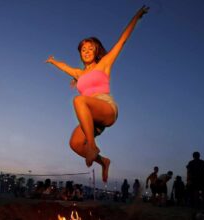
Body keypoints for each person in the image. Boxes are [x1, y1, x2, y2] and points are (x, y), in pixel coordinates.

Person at [46, 6, 149, 183]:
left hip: (106, 108)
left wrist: (136, 17)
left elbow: (122, 40)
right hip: (90, 118)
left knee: (79, 100)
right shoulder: (79, 74)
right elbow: (65, 66)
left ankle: (93, 147)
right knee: (75, 144)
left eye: (90, 48)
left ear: (96, 51)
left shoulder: (105, 64)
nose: (86, 51)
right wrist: (53, 61)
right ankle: (104, 161)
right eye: (83, 49)